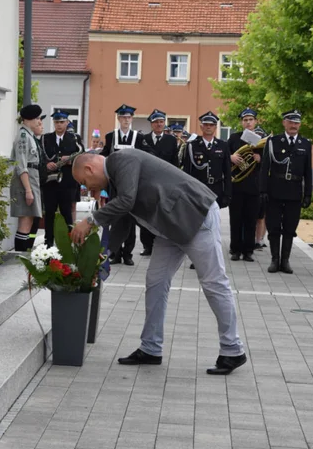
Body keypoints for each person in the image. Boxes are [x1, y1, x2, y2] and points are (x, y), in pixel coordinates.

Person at [70, 151, 246, 375]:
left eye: (86, 183)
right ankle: (151, 348)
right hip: (169, 228)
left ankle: (233, 350)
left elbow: (126, 201)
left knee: (214, 283)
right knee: (155, 282)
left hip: (194, 217)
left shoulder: (121, 160)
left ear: (89, 169)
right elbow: (123, 221)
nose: (91, 189)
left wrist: (91, 220)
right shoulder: (115, 178)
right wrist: (102, 258)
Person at [260, 110, 312, 273]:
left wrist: (308, 193)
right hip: (275, 190)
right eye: (290, 122)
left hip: (294, 192)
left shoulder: (305, 144)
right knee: (274, 227)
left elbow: (308, 172)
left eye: (296, 122)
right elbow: (265, 168)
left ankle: (285, 261)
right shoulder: (273, 142)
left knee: (290, 228)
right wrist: (263, 190)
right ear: (284, 123)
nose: (293, 125)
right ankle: (275, 260)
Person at [101, 104, 145, 266]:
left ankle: (128, 253)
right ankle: (115, 253)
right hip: (115, 183)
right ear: (119, 119)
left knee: (130, 219)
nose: (126, 120)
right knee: (115, 217)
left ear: (132, 119)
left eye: (129, 117)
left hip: (132, 184)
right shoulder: (111, 136)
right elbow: (105, 154)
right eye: (123, 117)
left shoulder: (138, 137)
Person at [140, 110, 179, 255]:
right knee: (147, 213)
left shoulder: (171, 140)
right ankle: (147, 246)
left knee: (163, 214)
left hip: (165, 181)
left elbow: (175, 161)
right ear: (151, 124)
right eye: (156, 122)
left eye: (161, 122)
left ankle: (161, 243)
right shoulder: (143, 139)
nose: (159, 124)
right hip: (148, 181)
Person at [42, 110, 83, 247]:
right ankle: (48, 242)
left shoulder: (75, 138)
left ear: (67, 122)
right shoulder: (45, 138)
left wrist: (71, 160)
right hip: (50, 183)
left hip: (67, 182)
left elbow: (82, 156)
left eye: (62, 122)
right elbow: (40, 156)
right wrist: (47, 164)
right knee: (49, 213)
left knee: (67, 212)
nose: (59, 125)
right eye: (56, 122)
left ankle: (69, 242)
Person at [228, 109, 263, 262]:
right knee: (235, 219)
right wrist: (231, 157)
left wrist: (260, 158)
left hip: (253, 186)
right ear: (241, 122)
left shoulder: (261, 140)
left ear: (256, 121)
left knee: (251, 219)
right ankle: (235, 249)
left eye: (250, 119)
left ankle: (248, 251)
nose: (248, 122)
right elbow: (224, 156)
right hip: (236, 185)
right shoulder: (234, 138)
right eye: (245, 120)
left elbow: (269, 162)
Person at [10, 104, 44, 251]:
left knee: (29, 219)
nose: (39, 121)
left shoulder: (29, 135)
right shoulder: (23, 137)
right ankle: (19, 255)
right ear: (29, 119)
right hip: (26, 180)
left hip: (32, 178)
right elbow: (21, 165)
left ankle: (24, 253)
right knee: (25, 220)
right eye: (37, 118)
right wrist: (28, 190)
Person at [182, 112, 232, 209]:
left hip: (216, 189)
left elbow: (227, 172)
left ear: (215, 127)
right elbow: (187, 170)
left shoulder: (223, 145)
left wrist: (227, 193)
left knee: (214, 222)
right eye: (206, 124)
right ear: (201, 127)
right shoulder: (192, 145)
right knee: (198, 221)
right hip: (198, 188)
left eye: (211, 125)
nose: (208, 127)